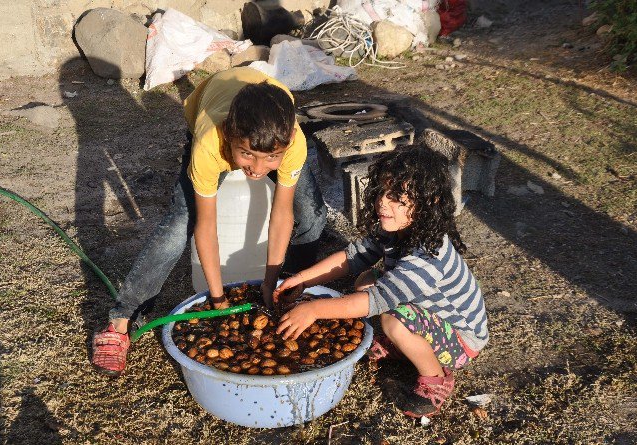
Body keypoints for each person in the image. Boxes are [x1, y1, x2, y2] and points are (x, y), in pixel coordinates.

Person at [91, 67, 327, 376]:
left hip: (268, 120)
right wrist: (218, 300)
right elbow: (206, 225)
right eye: (246, 156)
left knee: (311, 215)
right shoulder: (210, 144)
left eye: (270, 159)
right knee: (179, 226)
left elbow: (282, 213)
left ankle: (291, 291)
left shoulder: (291, 143)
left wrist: (271, 281)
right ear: (230, 138)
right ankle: (121, 318)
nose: (257, 170)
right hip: (213, 107)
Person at [273, 144, 488, 418]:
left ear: (428, 201)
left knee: (392, 319)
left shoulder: (428, 256)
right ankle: (404, 344)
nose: (383, 202)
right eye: (382, 192)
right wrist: (303, 279)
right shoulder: (398, 229)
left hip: (462, 340)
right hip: (428, 313)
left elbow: (376, 301)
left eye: (397, 197)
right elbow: (352, 257)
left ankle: (435, 377)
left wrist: (313, 310)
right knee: (364, 281)